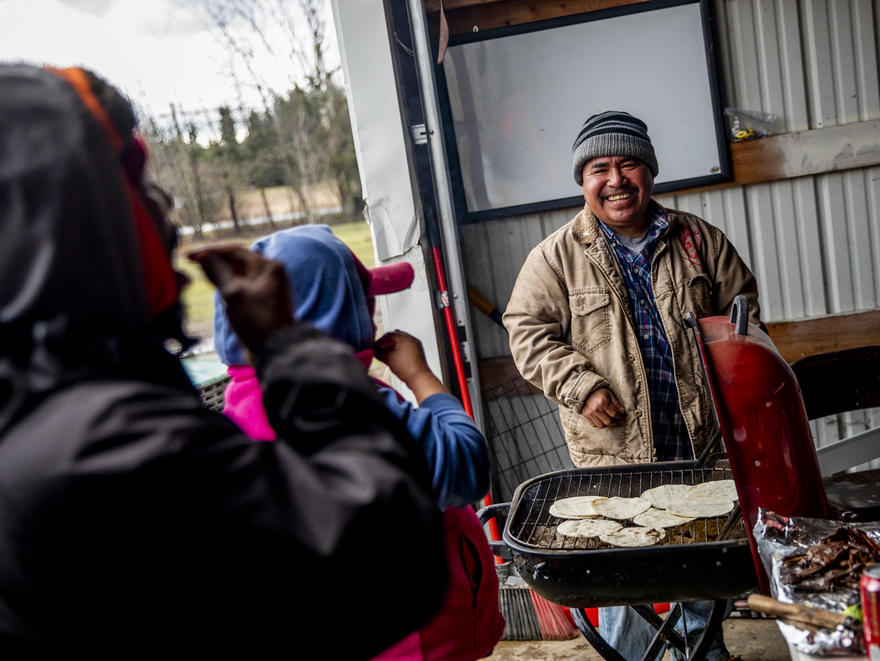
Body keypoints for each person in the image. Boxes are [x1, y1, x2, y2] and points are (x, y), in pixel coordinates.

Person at [0, 64, 447, 658]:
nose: (167, 203)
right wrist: (291, 348)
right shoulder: (102, 442)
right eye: (135, 182)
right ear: (77, 218)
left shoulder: (45, 405)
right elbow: (388, 556)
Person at [503, 111, 763, 661]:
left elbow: (745, 320)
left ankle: (703, 654)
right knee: (624, 577)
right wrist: (580, 384)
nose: (616, 179)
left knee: (699, 568)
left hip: (700, 442)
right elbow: (526, 335)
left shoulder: (700, 241)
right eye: (600, 168)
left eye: (629, 165)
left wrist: (736, 390)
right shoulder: (553, 258)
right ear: (583, 180)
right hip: (614, 453)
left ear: (650, 172)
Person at [213, 224, 505, 661]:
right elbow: (466, 467)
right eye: (364, 302)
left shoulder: (244, 401)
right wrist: (419, 377)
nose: (371, 318)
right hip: (414, 643)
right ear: (331, 313)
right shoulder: (342, 408)